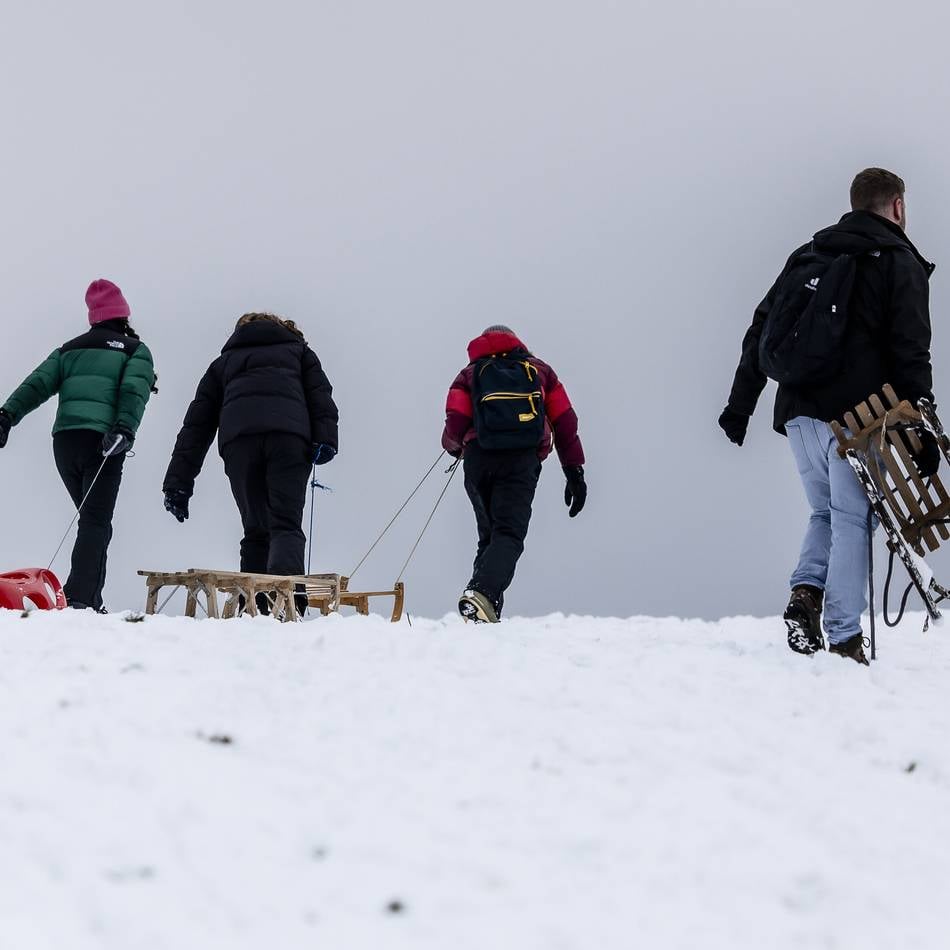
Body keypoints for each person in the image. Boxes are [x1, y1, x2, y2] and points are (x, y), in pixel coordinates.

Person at [719, 168, 937, 665]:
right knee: (854, 520)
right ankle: (843, 637)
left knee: (826, 513)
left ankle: (806, 595)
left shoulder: (810, 253)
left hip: (798, 415)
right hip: (859, 418)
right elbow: (910, 350)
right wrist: (919, 423)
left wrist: (741, 406)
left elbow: (761, 326)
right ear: (898, 206)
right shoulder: (897, 259)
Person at [162, 313, 338, 613]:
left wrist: (178, 483)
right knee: (285, 523)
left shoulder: (223, 365)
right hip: (289, 440)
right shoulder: (301, 354)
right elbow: (321, 398)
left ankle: (255, 607)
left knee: (255, 528)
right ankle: (287, 606)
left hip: (239, 444)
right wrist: (325, 441)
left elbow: (196, 426)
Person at [0, 279, 156, 611]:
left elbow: (37, 384)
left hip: (66, 442)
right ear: (123, 314)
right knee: (96, 521)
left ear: (94, 317)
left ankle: (87, 595)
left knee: (91, 518)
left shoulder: (68, 349)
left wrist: (6, 416)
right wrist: (124, 429)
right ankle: (82, 598)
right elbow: (134, 391)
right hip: (104, 442)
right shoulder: (134, 350)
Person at [442, 325, 586, 622]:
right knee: (508, 533)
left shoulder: (470, 374)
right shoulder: (539, 371)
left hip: (479, 458)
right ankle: (481, 593)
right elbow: (565, 420)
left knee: (490, 536)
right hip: (521, 460)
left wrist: (454, 447)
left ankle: (483, 607)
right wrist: (574, 470)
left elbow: (456, 419)